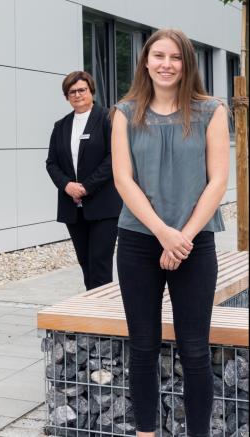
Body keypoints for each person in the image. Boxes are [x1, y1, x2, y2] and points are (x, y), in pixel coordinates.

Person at [110, 28, 229, 437]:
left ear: (186, 64)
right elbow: (123, 180)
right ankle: (147, 432)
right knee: (142, 348)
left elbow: (218, 182)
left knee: (195, 351)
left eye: (175, 57)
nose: (166, 64)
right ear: (145, 61)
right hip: (139, 243)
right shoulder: (124, 113)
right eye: (158, 55)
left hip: (195, 242)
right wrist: (163, 233)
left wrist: (183, 238)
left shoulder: (211, 111)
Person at [45, 70, 120, 290]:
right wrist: (67, 185)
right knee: (85, 263)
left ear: (91, 91)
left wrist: (87, 187)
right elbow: (51, 163)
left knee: (100, 263)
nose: (77, 95)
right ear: (66, 96)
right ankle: (89, 314)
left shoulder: (107, 119)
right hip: (73, 207)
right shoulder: (61, 126)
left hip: (103, 206)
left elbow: (114, 157)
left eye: (82, 90)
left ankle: (103, 318)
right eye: (72, 92)